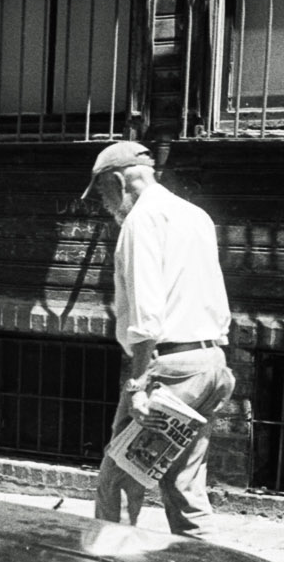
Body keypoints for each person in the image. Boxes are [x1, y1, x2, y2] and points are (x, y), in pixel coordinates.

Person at [83, 140, 235, 538]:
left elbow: (147, 318)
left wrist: (137, 387)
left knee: (118, 481)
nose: (102, 202)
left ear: (118, 181)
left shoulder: (141, 221)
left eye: (101, 191)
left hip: (169, 371)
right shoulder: (194, 215)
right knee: (184, 484)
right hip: (211, 363)